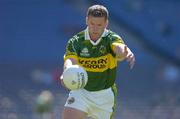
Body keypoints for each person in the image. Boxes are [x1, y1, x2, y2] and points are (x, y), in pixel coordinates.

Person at [61, 4, 135, 119]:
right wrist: (67, 73)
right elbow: (70, 60)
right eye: (92, 23)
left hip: (105, 97)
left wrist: (125, 52)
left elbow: (119, 47)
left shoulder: (111, 38)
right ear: (87, 20)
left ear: (106, 23)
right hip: (81, 92)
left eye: (99, 25)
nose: (95, 28)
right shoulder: (76, 41)